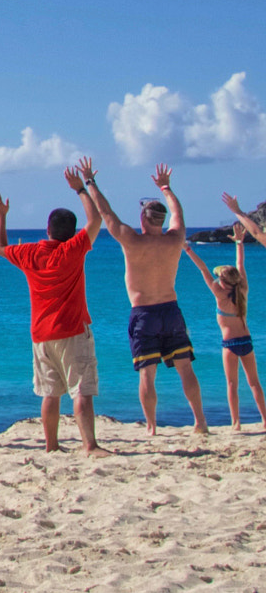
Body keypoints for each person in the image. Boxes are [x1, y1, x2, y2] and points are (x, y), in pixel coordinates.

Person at [83, 161, 209, 436]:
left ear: (142, 219)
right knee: (185, 369)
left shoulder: (132, 240)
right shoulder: (175, 239)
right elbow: (178, 212)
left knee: (147, 374)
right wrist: (166, 188)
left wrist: (90, 182)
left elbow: (106, 214)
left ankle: (152, 427)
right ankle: (200, 422)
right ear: (160, 221)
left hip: (144, 314)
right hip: (171, 310)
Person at [0, 164, 108, 456]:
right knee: (81, 390)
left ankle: (52, 445)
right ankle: (89, 445)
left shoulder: (29, 252)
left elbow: (0, 247)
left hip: (41, 334)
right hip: (71, 330)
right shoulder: (73, 250)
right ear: (71, 234)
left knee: (50, 393)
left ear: (47, 230)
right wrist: (81, 188)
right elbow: (95, 220)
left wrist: (2, 217)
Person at [191, 195, 264, 431]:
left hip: (229, 344)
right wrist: (239, 243)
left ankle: (236, 423)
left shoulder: (219, 294)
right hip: (247, 341)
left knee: (232, 384)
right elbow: (240, 266)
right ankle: (265, 419)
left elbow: (203, 268)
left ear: (221, 281)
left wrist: (186, 249)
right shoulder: (242, 290)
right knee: (254, 383)